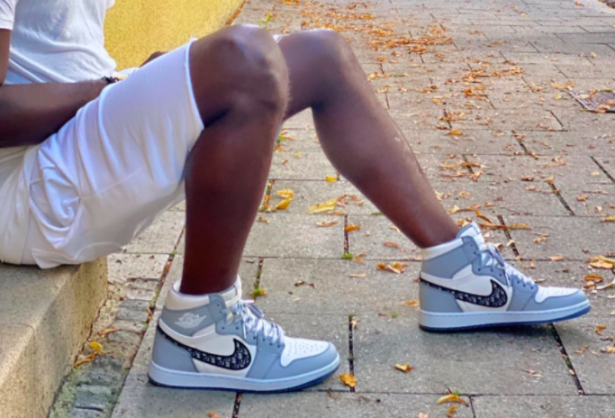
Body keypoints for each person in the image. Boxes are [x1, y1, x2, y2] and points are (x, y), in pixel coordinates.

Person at [0, 0, 590, 392]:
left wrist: (129, 85)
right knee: (245, 59)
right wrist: (115, 87)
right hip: (26, 189)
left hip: (68, 150)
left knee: (322, 54)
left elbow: (54, 56)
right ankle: (202, 328)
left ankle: (459, 275)